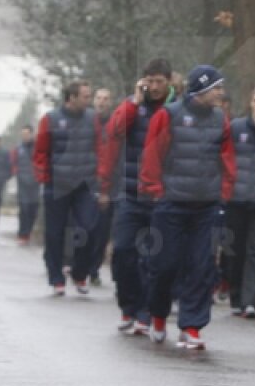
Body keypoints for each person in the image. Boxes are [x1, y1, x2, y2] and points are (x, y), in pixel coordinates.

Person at [139, 65, 235, 349]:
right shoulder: (168, 115)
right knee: (164, 266)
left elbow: (227, 159)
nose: (220, 92)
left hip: (207, 207)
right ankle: (158, 315)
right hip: (171, 204)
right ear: (201, 90)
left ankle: (191, 326)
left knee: (202, 267)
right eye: (216, 87)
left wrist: (224, 193)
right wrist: (155, 191)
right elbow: (152, 155)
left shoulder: (221, 119)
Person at [98, 58, 173, 333]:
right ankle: (128, 306)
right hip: (129, 194)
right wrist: (134, 103)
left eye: (159, 82)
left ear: (168, 82)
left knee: (153, 258)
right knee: (123, 252)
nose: (154, 87)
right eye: (149, 81)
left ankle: (146, 312)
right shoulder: (133, 106)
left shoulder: (175, 110)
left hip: (161, 197)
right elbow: (115, 131)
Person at [34, 81, 99, 294]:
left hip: (85, 184)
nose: (89, 101)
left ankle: (80, 273)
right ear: (71, 98)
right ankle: (56, 277)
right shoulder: (51, 119)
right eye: (86, 96)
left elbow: (101, 147)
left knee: (89, 227)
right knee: (55, 232)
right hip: (57, 183)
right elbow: (41, 150)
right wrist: (44, 176)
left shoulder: (93, 119)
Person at [221, 85, 255, 319]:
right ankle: (236, 298)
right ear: (250, 103)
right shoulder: (235, 128)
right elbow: (223, 157)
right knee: (235, 251)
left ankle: (250, 301)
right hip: (236, 200)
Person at [87, 87, 115, 284]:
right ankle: (75, 263)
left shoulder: (115, 124)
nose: (102, 101)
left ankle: (94, 269)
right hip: (85, 181)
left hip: (108, 182)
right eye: (99, 98)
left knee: (101, 230)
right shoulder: (85, 121)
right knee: (83, 226)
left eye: (106, 98)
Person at [12, 125, 40, 244]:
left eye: (27, 134)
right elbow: (13, 163)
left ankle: (28, 231)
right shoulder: (18, 149)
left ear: (32, 134)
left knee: (33, 209)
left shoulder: (39, 148)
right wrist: (16, 173)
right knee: (23, 208)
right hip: (22, 182)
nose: (25, 136)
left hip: (35, 183)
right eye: (23, 134)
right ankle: (22, 233)